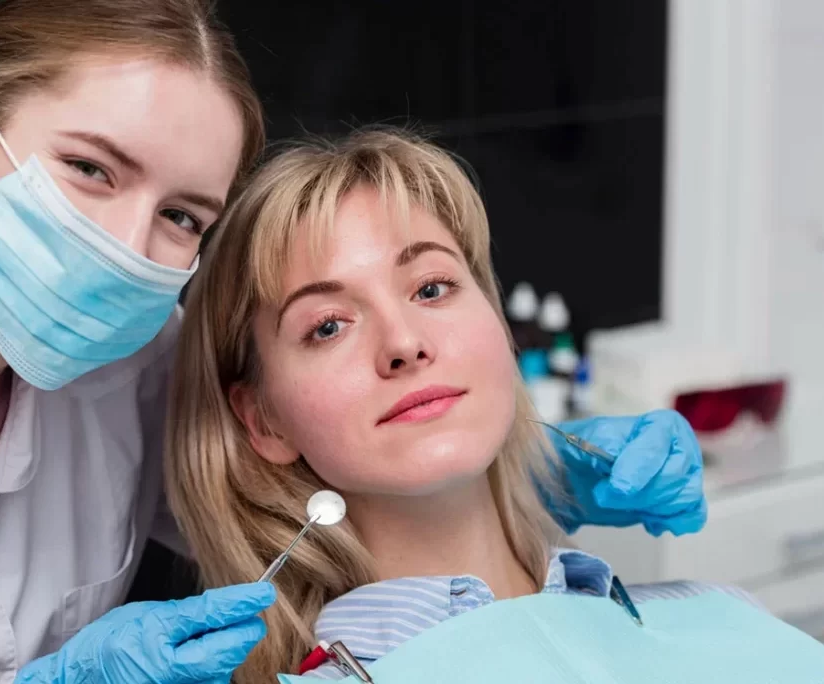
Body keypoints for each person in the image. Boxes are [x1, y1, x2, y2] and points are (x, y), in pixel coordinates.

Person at [0, 2, 702, 684]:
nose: (125, 248)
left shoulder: (137, 347)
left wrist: (546, 469)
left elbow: (334, 478)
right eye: (92, 170)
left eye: (184, 218)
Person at [163, 128, 793, 683]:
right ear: (263, 420)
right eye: (328, 325)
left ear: (498, 323)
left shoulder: (723, 615)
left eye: (432, 287)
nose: (405, 343)